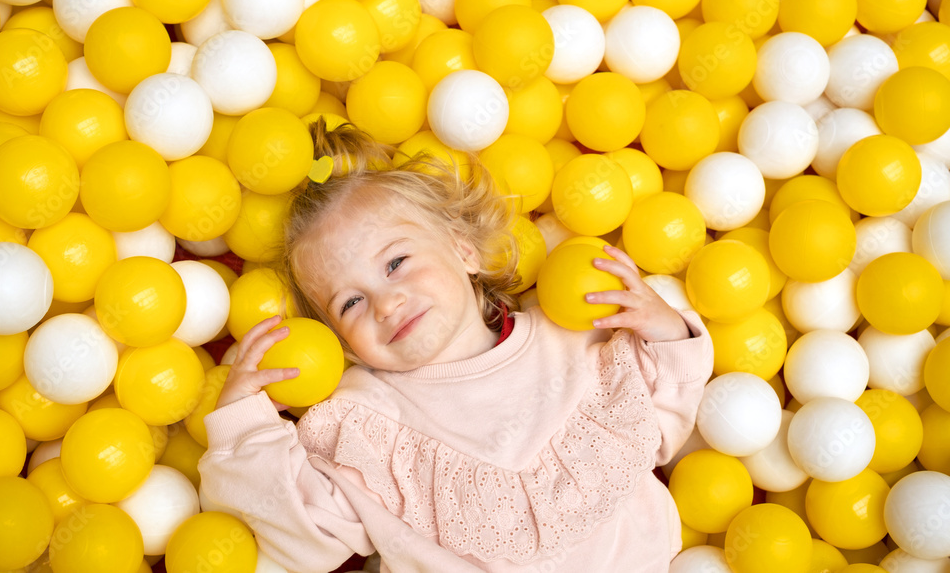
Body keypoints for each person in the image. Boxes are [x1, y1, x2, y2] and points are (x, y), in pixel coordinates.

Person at [198, 118, 714, 573]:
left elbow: (665, 414)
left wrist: (663, 326)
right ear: (339, 341)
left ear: (463, 249)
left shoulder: (573, 337)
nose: (386, 303)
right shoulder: (363, 423)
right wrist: (243, 425)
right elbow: (305, 538)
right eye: (350, 303)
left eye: (396, 263)